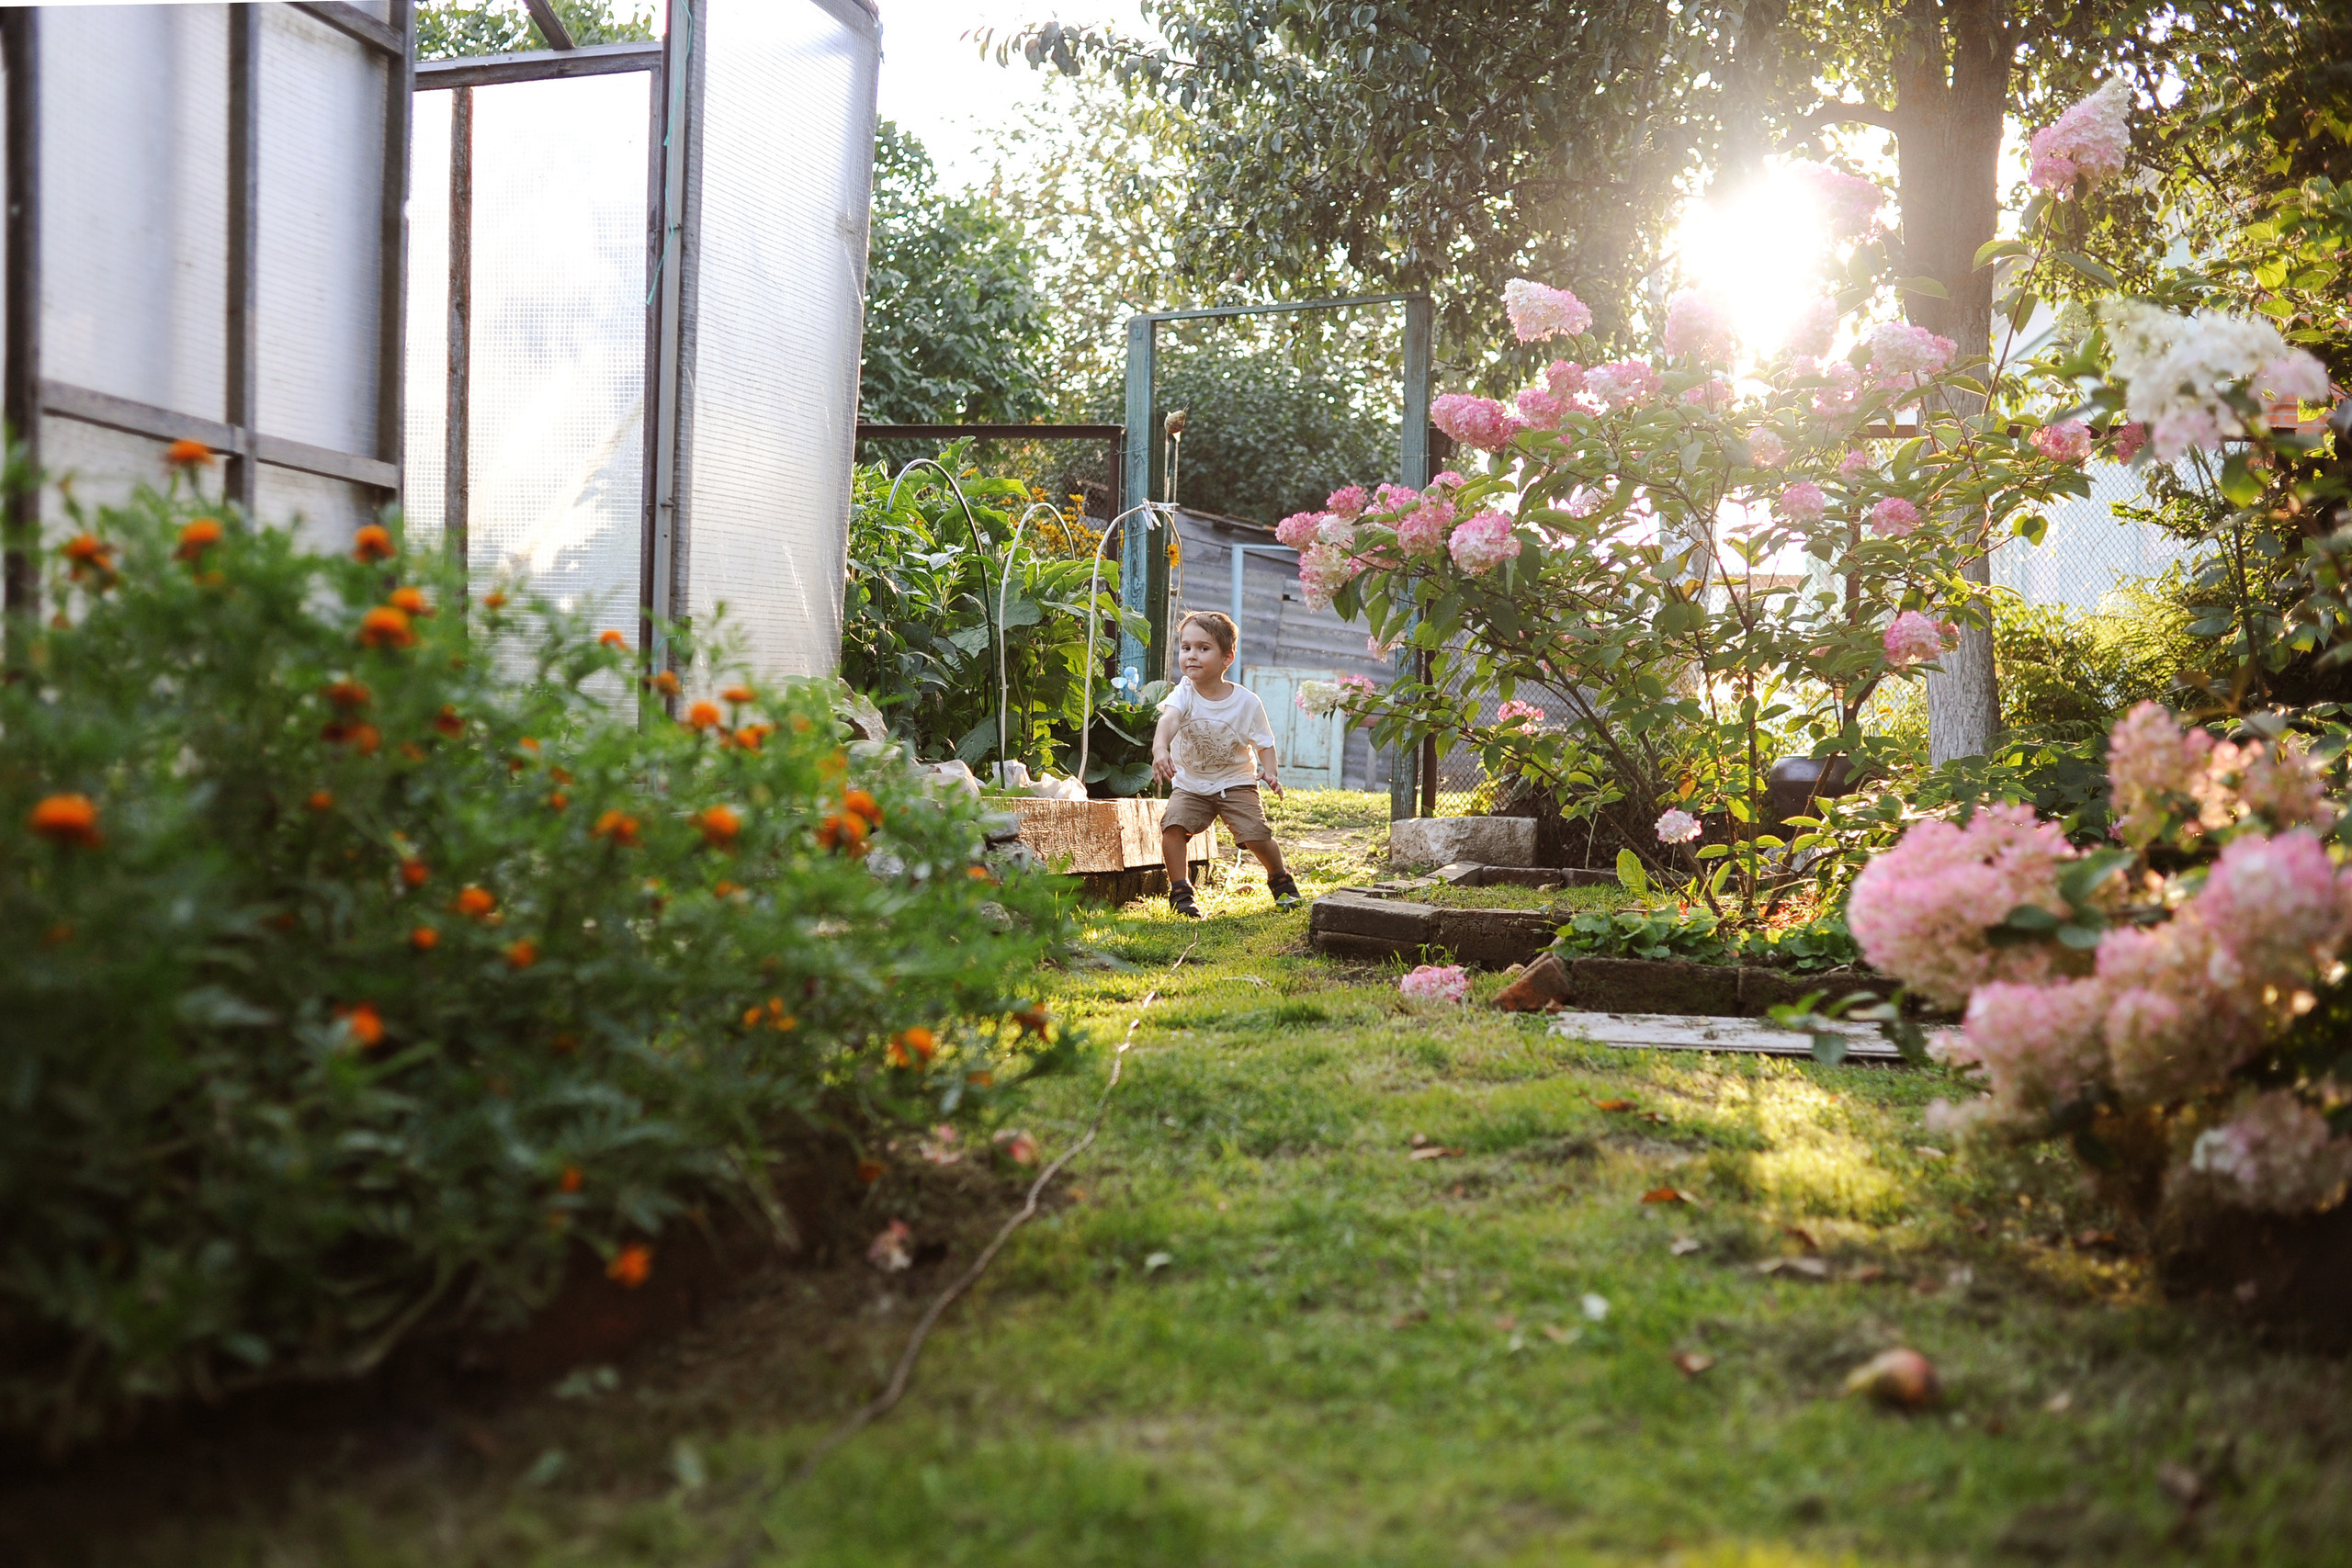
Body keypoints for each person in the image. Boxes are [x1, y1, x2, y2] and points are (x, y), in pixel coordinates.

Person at [1151, 610, 1302, 918]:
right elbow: (1169, 719)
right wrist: (1159, 748)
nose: (1192, 656)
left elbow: (1265, 742)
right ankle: (1181, 892)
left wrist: (1270, 771)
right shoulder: (1183, 693)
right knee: (1173, 827)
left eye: (1203, 649)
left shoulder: (1247, 703)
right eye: (1186, 647)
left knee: (1256, 834)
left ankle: (1280, 879)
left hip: (1236, 783)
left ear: (1227, 658)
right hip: (1191, 784)